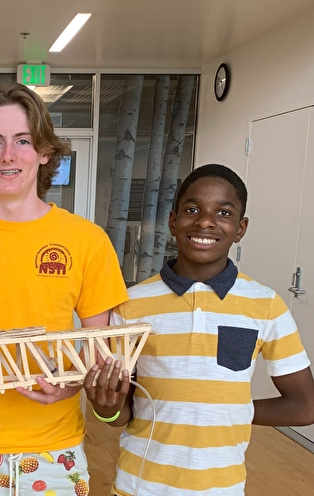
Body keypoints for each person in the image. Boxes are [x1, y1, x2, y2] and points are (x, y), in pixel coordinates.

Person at [0, 82, 129, 496]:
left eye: (23, 141)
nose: (8, 155)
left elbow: (99, 347)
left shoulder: (87, 241)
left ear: (44, 152)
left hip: (56, 450)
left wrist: (72, 383)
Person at [84, 163, 314, 496]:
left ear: (240, 228)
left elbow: (304, 406)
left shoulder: (266, 305)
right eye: (192, 209)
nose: (205, 221)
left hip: (222, 488)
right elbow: (122, 412)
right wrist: (106, 409)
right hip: (139, 486)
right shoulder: (130, 304)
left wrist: (231, 409)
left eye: (223, 212)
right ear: (173, 221)